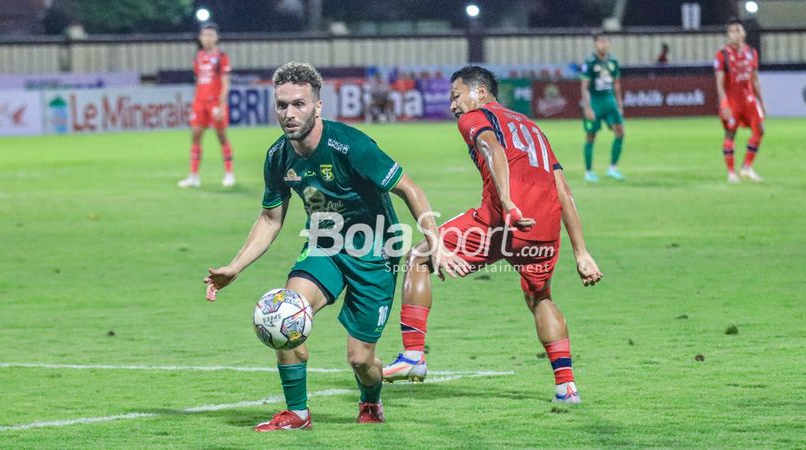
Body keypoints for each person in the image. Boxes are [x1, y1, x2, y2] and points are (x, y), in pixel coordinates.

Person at [204, 62, 458, 431]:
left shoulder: (350, 145)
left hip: (374, 255)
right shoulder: (278, 157)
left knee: (360, 360)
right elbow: (270, 219)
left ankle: (370, 402)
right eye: (282, 105)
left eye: (299, 104)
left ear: (318, 106)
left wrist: (434, 241)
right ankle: (298, 413)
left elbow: (409, 188)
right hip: (324, 248)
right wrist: (235, 266)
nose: (289, 114)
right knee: (282, 316)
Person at [382, 66, 603, 404]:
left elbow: (491, 148)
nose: (453, 105)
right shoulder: (532, 127)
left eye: (456, 96)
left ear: (479, 92)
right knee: (540, 298)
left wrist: (507, 201)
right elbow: (562, 188)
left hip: (501, 219)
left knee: (419, 256)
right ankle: (566, 387)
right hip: (543, 229)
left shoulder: (475, 117)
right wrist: (581, 252)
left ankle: (413, 355)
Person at [178, 22, 235, 188]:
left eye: (211, 35)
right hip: (200, 103)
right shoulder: (198, 57)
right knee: (195, 136)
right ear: (200, 38)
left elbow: (225, 83)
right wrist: (196, 101)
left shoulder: (221, 57)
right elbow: (198, 82)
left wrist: (221, 105)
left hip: (215, 103)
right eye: (205, 35)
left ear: (216, 38)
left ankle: (229, 174)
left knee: (221, 137)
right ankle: (194, 176)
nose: (208, 38)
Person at [714, 18, 765, 183]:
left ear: (743, 33)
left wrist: (761, 101)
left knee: (760, 130)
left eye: (738, 30)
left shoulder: (751, 52)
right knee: (730, 133)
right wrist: (724, 103)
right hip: (733, 100)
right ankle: (731, 173)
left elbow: (754, 79)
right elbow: (719, 82)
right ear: (728, 35)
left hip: (749, 100)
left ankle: (746, 167)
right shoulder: (723, 54)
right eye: (732, 31)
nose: (735, 34)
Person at [580, 31, 625, 182]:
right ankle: (588, 171)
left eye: (606, 41)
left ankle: (613, 168)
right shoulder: (590, 62)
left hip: (609, 101)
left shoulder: (613, 62)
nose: (603, 44)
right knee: (591, 136)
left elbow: (617, 84)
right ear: (595, 43)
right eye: (600, 41)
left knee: (620, 132)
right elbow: (584, 86)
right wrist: (587, 108)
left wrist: (619, 104)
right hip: (595, 102)